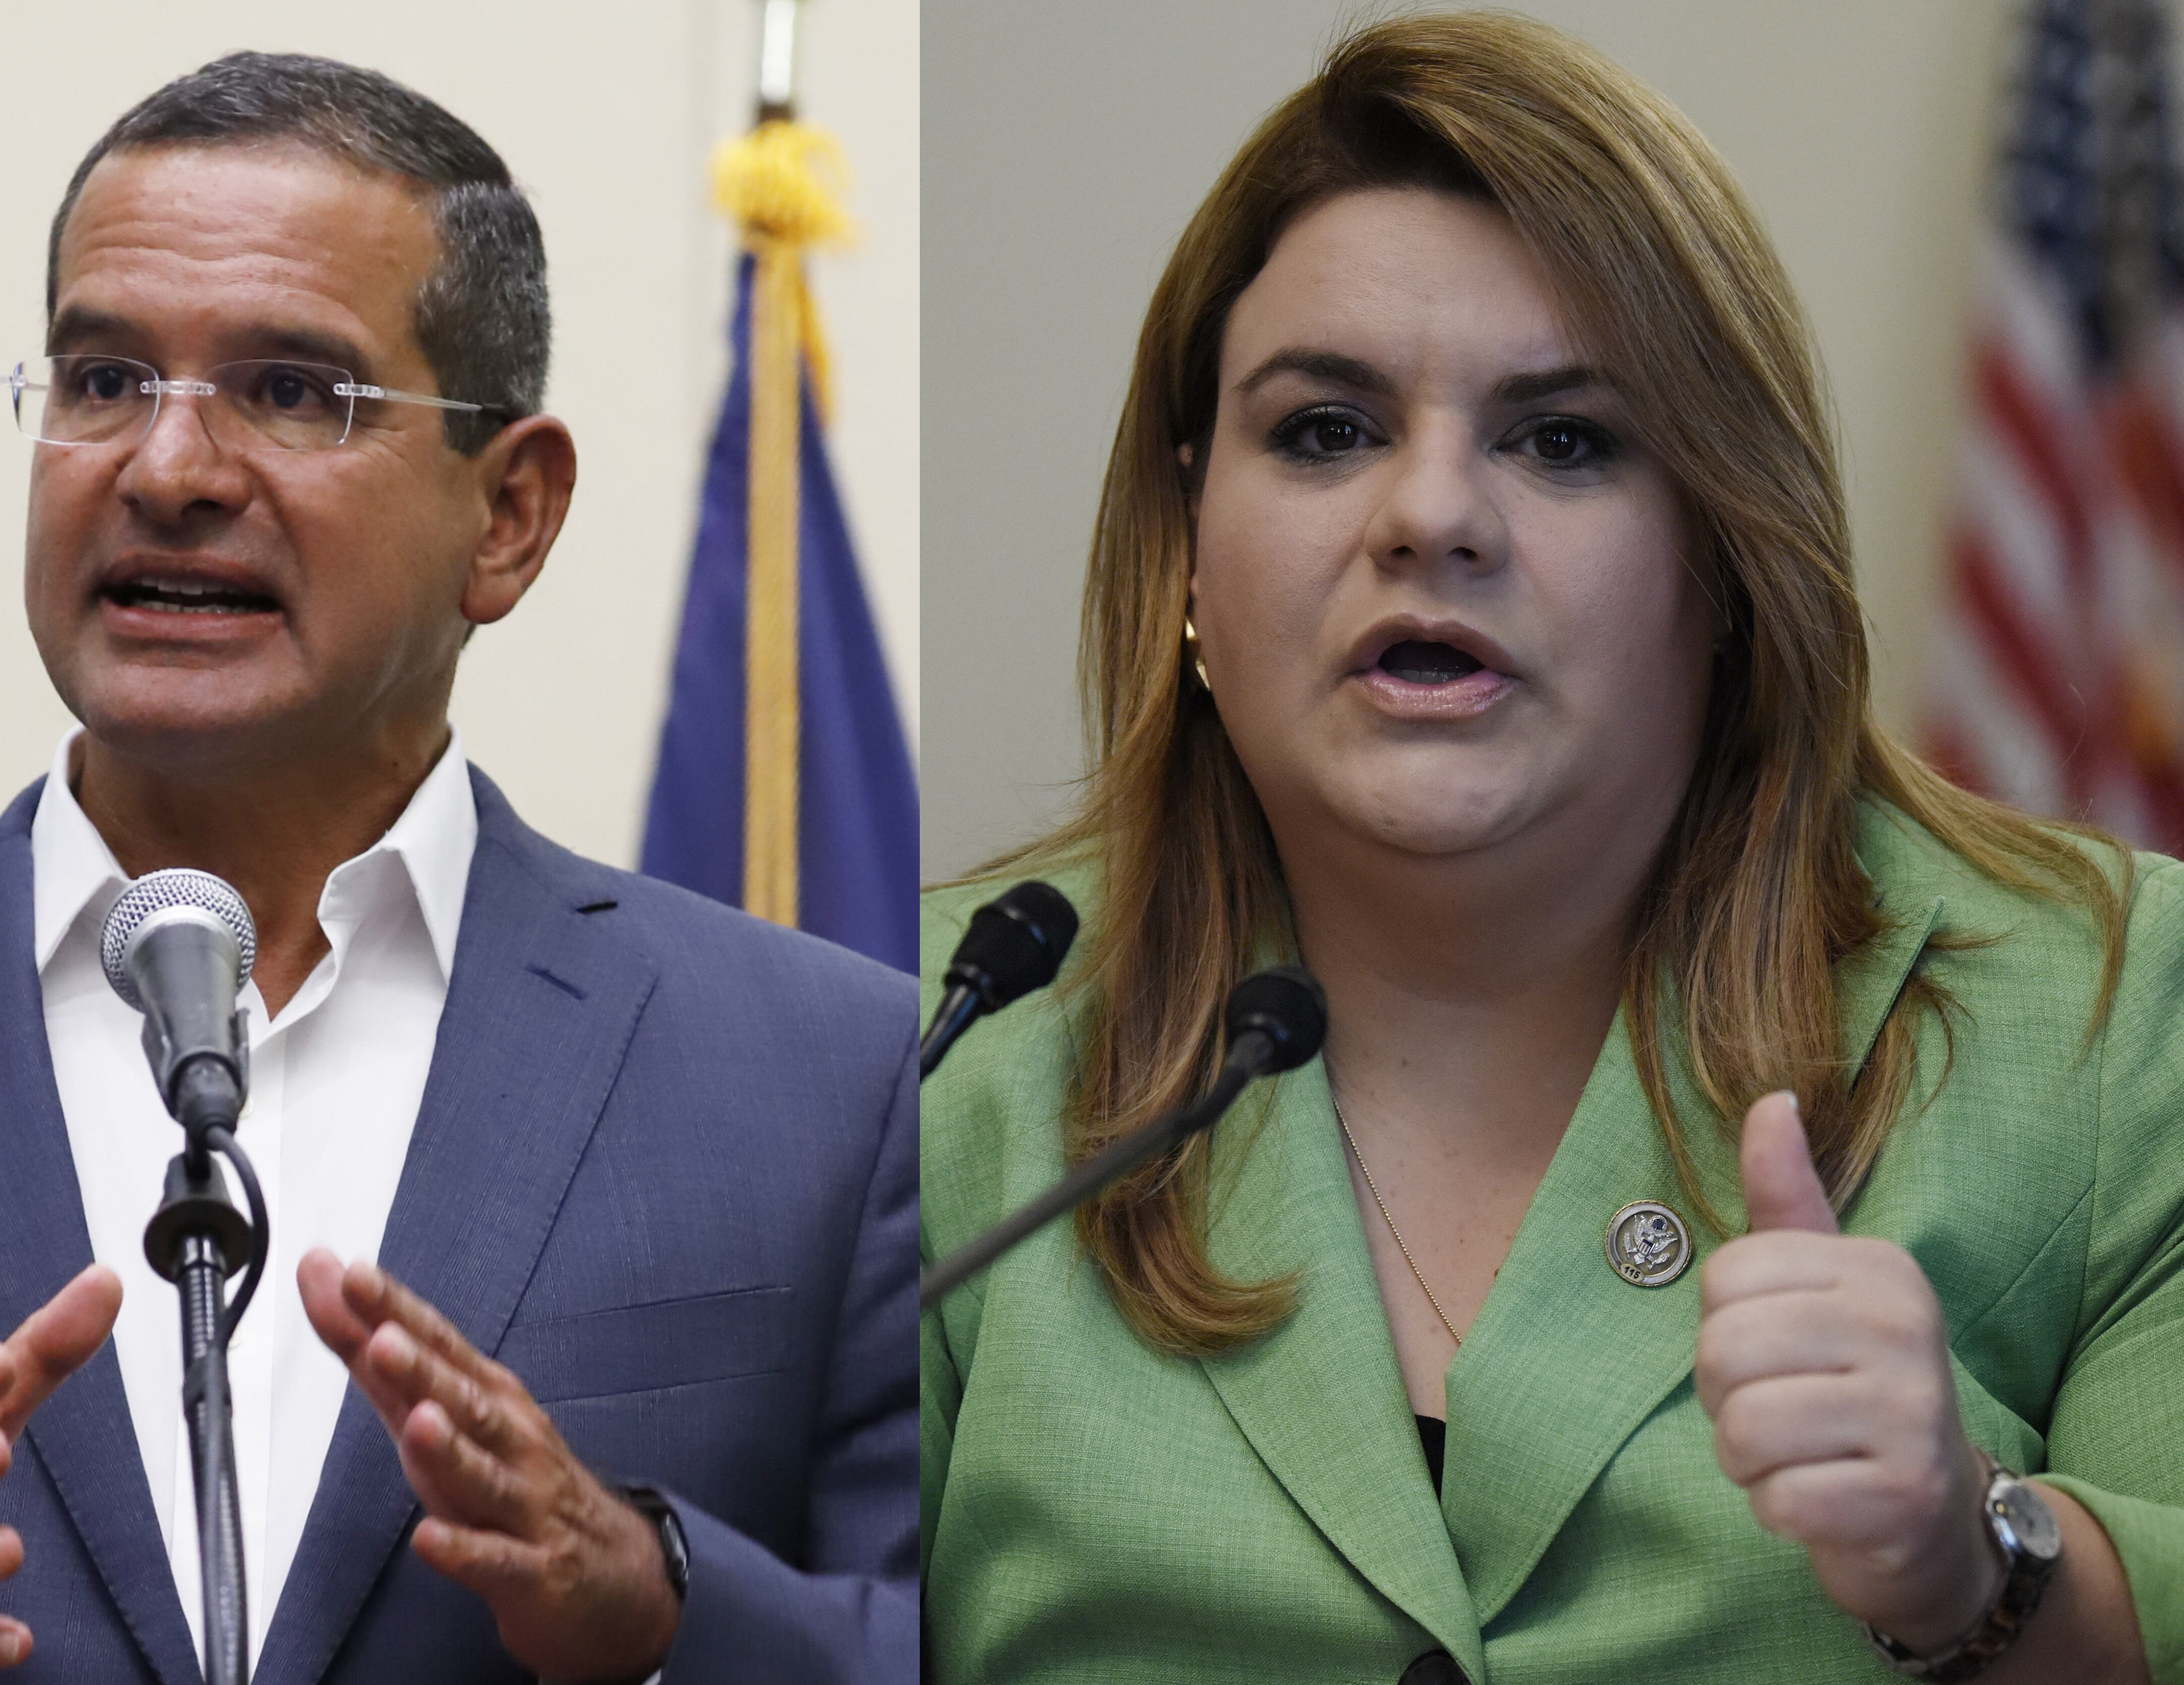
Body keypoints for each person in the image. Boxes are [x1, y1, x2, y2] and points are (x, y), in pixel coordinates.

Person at [920, 14, 2170, 1683]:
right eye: (1324, 430)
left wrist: (1978, 1563)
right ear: (1190, 550)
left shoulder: (2109, 1015)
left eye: (1564, 438)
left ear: (1728, 557)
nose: (1431, 515)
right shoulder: (941, 1057)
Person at [0, 52, 917, 1685]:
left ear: (512, 516)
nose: (167, 471)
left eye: (294, 392)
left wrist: (669, 1609)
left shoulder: (840, 1080)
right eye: (103, 379)